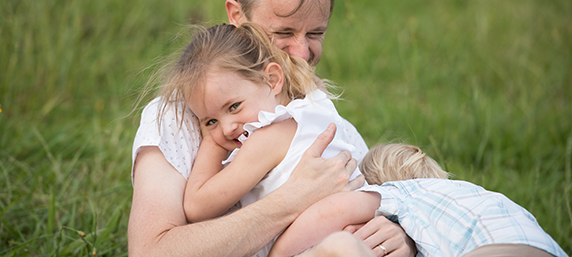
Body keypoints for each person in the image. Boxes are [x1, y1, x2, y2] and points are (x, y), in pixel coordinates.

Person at [128, 0, 416, 256]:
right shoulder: (176, 118)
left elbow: (378, 201)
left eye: (316, 33)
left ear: (273, 79)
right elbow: (151, 252)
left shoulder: (321, 118)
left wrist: (401, 236)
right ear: (238, 16)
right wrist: (290, 200)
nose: (302, 52)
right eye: (283, 32)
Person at [171, 22, 381, 256]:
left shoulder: (266, 140)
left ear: (272, 79)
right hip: (362, 214)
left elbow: (197, 205)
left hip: (318, 233)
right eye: (211, 121)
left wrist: (211, 141)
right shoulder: (314, 99)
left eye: (234, 106)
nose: (228, 128)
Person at [272, 143, 567, 257]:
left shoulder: (400, 193)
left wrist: (280, 253)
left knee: (340, 248)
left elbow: (333, 210)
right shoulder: (476, 195)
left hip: (493, 252)